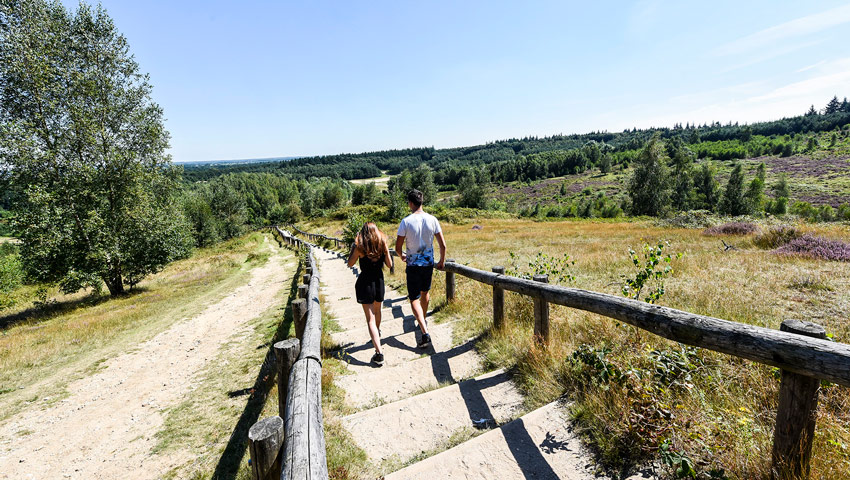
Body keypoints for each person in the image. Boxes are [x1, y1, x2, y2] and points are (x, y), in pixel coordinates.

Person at [395, 189, 447, 349]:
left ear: (410, 203)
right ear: (422, 201)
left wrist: (402, 256)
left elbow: (398, 247)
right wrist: (441, 261)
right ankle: (422, 320)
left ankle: (424, 332)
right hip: (428, 263)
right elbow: (443, 245)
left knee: (414, 298)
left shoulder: (406, 222)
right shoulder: (433, 219)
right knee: (425, 292)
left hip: (413, 264)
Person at [347, 222, 393, 366]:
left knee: (370, 319)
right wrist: (385, 250)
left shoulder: (360, 247)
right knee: (377, 312)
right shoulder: (382, 244)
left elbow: (350, 263)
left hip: (365, 282)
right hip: (379, 281)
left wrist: (353, 246)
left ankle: (379, 353)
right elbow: (390, 264)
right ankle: (377, 334)